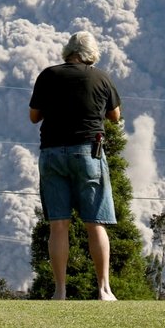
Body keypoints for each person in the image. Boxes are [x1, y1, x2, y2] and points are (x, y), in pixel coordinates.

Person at [29, 31, 122, 301]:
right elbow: (115, 116)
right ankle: (104, 289)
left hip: (52, 153)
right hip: (88, 153)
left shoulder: (49, 75)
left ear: (67, 51)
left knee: (58, 225)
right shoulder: (101, 77)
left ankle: (60, 291)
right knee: (96, 223)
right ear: (92, 54)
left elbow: (34, 116)